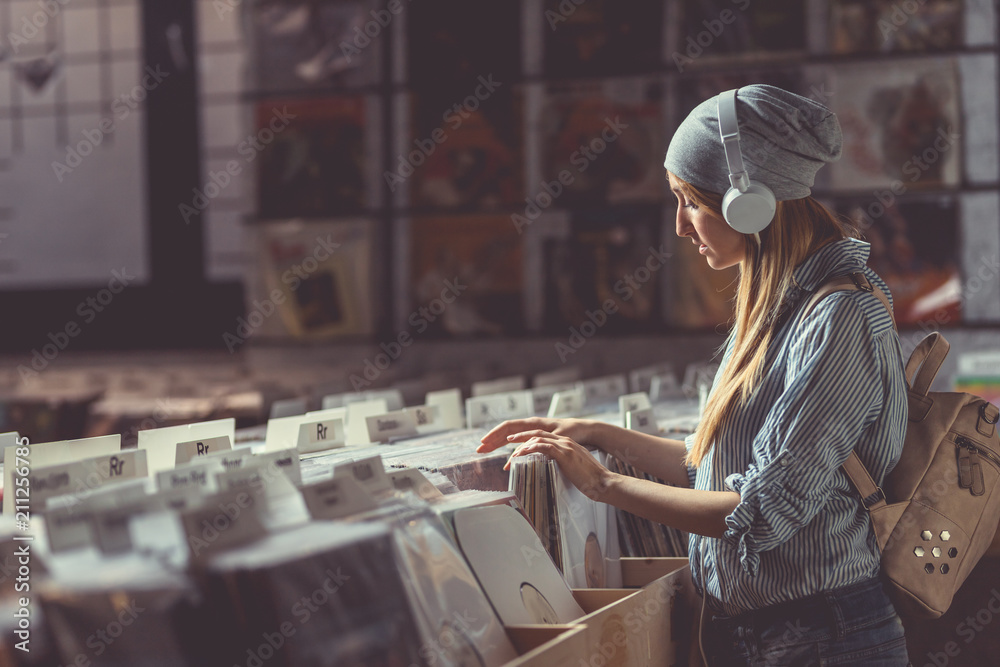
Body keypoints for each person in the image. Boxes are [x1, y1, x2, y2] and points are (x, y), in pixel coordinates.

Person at [478, 85, 911, 666]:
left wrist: (604, 486)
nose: (680, 227)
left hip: (825, 636)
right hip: (771, 635)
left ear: (749, 203)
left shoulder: (840, 317)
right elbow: (710, 466)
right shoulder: (779, 306)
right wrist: (597, 434)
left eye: (690, 201)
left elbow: (757, 509)